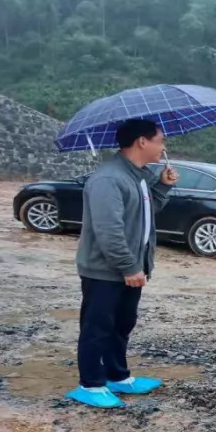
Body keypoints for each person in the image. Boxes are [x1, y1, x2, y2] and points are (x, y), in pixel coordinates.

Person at [67, 118, 179, 409]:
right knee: (97, 326)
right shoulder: (108, 179)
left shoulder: (138, 177)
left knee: (121, 324)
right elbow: (109, 231)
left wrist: (163, 186)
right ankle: (90, 384)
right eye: (160, 140)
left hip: (131, 268)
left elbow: (145, 212)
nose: (163, 147)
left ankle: (117, 375)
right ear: (142, 141)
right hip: (105, 270)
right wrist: (129, 266)